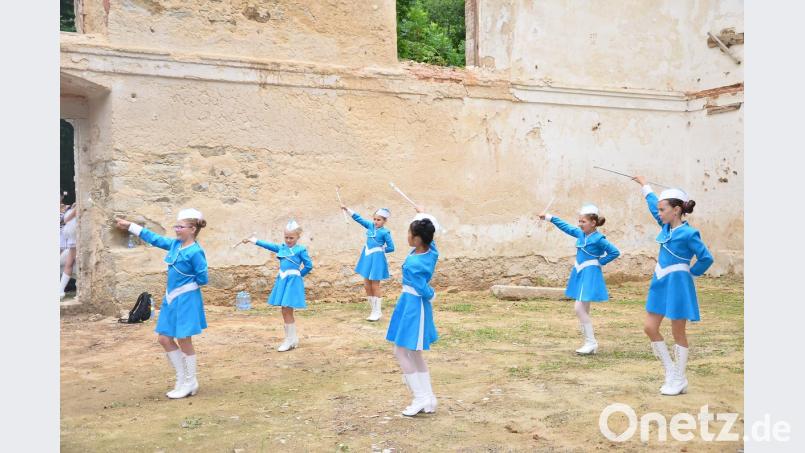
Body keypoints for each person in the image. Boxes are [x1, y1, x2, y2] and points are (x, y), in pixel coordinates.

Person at [115, 209, 209, 399]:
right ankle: (181, 378)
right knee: (164, 339)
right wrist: (130, 226)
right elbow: (155, 238)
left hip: (186, 299)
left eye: (180, 227)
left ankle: (190, 382)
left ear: (192, 229)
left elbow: (203, 278)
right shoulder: (175, 245)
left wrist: (185, 290)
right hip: (171, 299)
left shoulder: (196, 251)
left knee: (184, 339)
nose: (176, 230)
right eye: (176, 226)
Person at [633, 176, 714, 396]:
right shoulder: (665, 228)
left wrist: (690, 272)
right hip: (660, 281)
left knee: (678, 331)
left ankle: (679, 378)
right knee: (650, 327)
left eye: (663, 210)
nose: (658, 213)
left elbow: (706, 258)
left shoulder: (689, 233)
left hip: (678, 283)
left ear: (676, 210)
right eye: (659, 210)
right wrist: (645, 186)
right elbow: (652, 205)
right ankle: (670, 370)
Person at [539, 204, 620, 354]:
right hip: (580, 271)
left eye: (583, 221)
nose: (579, 224)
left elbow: (614, 252)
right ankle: (589, 343)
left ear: (593, 223)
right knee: (584, 308)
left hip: (590, 273)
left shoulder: (598, 239)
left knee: (578, 307)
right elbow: (566, 227)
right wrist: (549, 217)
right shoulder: (580, 234)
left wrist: (600, 262)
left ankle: (591, 342)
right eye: (580, 221)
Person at [386, 207, 440, 416]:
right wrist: (423, 216)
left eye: (410, 233)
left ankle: (420, 398)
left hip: (413, 305)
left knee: (400, 351)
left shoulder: (412, 263)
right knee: (414, 352)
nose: (407, 236)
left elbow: (422, 288)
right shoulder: (431, 251)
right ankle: (429, 398)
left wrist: (432, 294)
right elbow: (432, 238)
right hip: (412, 304)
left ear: (418, 239)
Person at [243, 220, 313, 352]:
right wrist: (254, 240)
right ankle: (291, 338)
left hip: (292, 282)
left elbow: (309, 265)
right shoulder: (282, 248)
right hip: (282, 280)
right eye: (286, 237)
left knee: (287, 308)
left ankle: (290, 340)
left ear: (298, 237)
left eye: (291, 237)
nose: (288, 240)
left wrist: (298, 276)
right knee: (284, 309)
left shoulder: (300, 250)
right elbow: (268, 245)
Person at [340, 205, 395, 321]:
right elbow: (358, 218)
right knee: (366, 284)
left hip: (377, 259)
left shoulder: (385, 232)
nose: (375, 222)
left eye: (379, 220)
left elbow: (391, 247)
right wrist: (347, 209)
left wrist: (381, 249)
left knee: (375, 285)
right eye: (374, 219)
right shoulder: (370, 226)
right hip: (367, 256)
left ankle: (378, 311)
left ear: (385, 221)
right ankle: (373, 309)